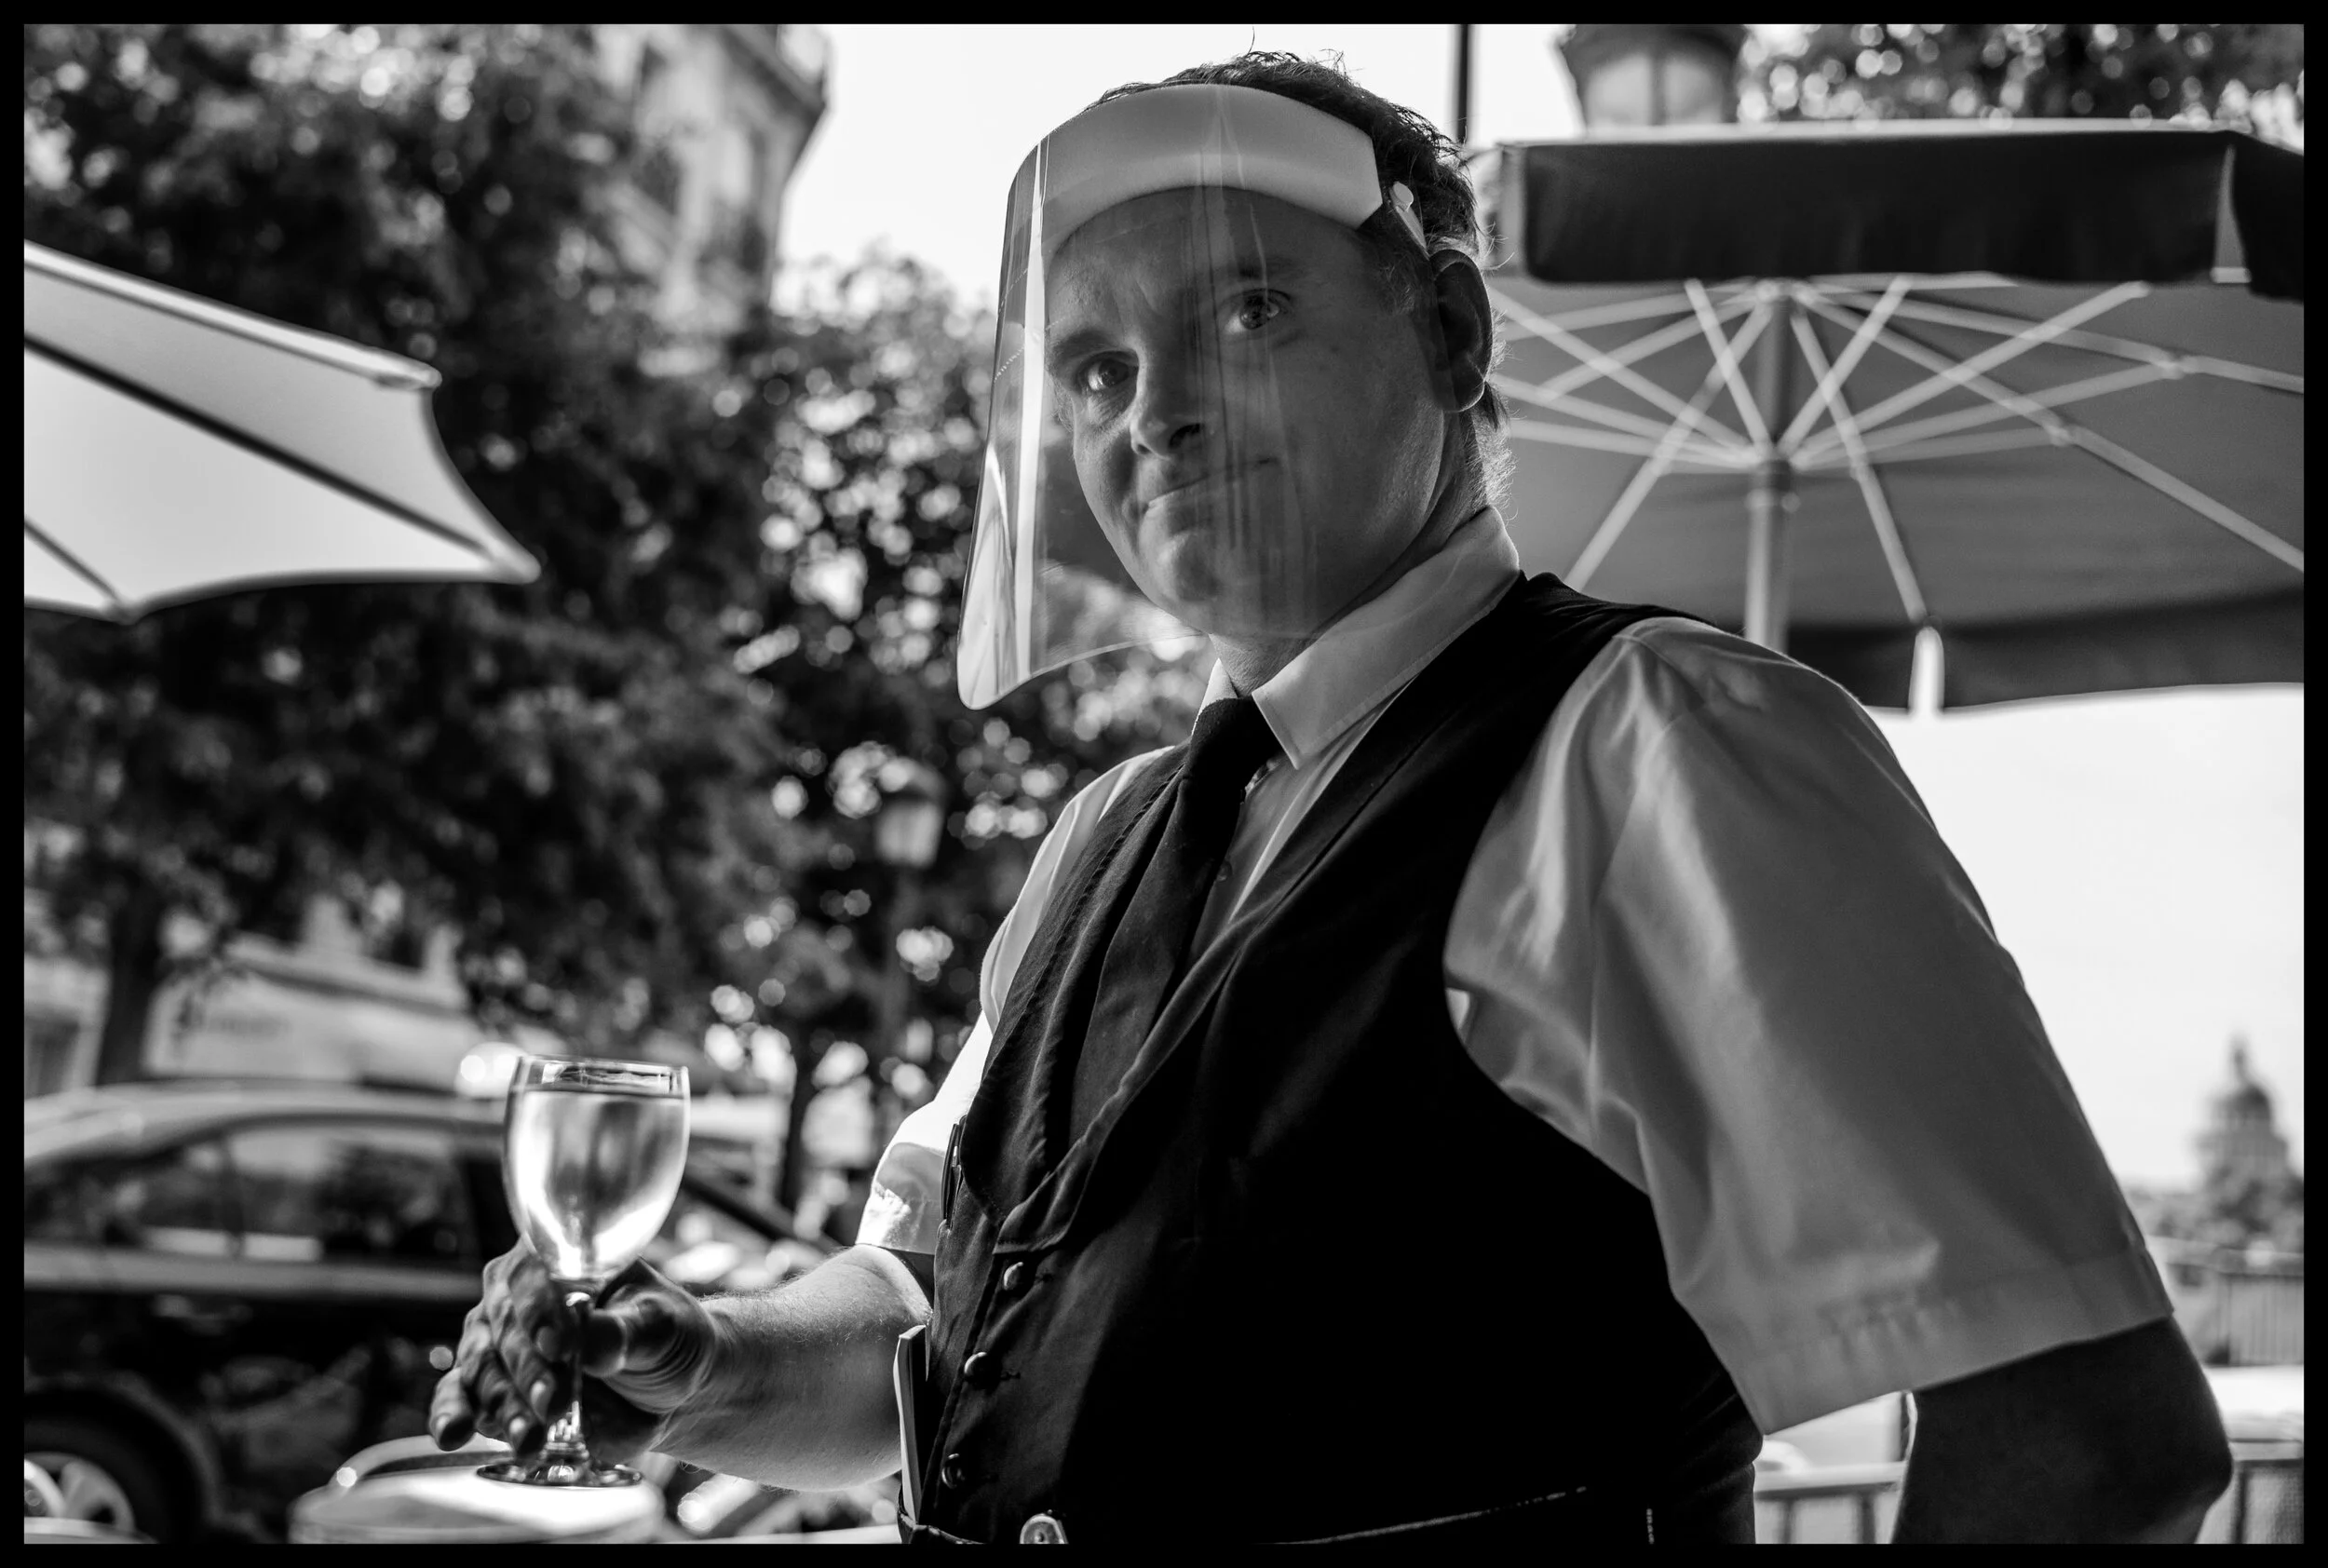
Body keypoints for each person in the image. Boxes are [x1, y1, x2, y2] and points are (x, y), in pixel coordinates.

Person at [433, 53, 2230, 1544]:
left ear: (1450, 328)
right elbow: (934, 1323)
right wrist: (707, 1365)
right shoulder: (1102, 842)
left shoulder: (1666, 747)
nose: (1155, 413)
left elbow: (2087, 1437)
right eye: (1096, 368)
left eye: (1247, 311)